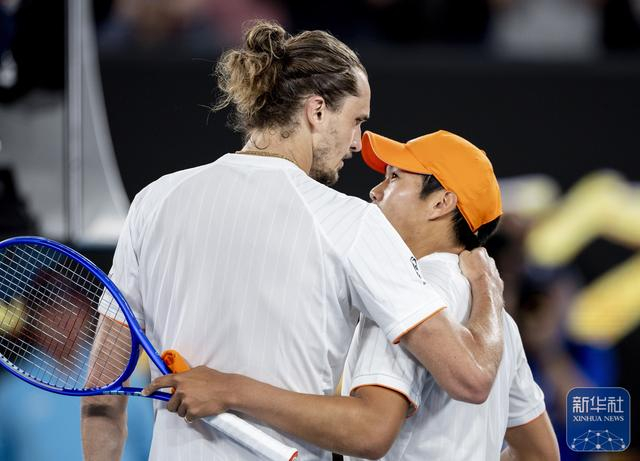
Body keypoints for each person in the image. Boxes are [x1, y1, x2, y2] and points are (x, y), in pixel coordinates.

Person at [82, 21, 505, 460]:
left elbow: (100, 394)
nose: (357, 143)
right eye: (356, 121)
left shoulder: (154, 201)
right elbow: (471, 377)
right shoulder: (353, 222)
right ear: (317, 111)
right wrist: (488, 288)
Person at [145, 130, 560, 460]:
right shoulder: (498, 328)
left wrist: (230, 389)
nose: (375, 192)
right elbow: (541, 454)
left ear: (441, 203)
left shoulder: (405, 295)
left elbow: (369, 431)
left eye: (394, 178)